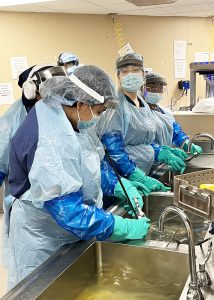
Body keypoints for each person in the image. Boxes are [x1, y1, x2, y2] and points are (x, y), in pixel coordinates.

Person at [7, 65, 150, 289]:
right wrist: (120, 227)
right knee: (43, 289)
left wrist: (122, 186)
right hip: (41, 236)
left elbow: (92, 162)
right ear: (82, 103)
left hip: (64, 231)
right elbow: (69, 212)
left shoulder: (72, 118)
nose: (99, 117)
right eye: (100, 111)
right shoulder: (51, 138)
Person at [98, 53, 185, 193]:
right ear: (118, 77)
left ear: (143, 74)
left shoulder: (142, 103)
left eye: (135, 71)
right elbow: (113, 150)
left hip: (144, 170)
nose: (130, 75)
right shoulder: (116, 107)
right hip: (124, 180)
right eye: (125, 72)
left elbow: (144, 141)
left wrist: (161, 152)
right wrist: (133, 173)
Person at [0, 64, 54, 267]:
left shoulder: (56, 115)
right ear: (32, 90)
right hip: (27, 202)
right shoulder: (15, 118)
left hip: (50, 204)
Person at [144, 71, 202, 155]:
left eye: (160, 88)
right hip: (146, 161)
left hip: (165, 162)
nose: (157, 91)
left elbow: (175, 131)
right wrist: (160, 152)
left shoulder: (165, 111)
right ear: (142, 89)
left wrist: (186, 143)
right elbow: (141, 142)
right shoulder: (138, 113)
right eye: (152, 88)